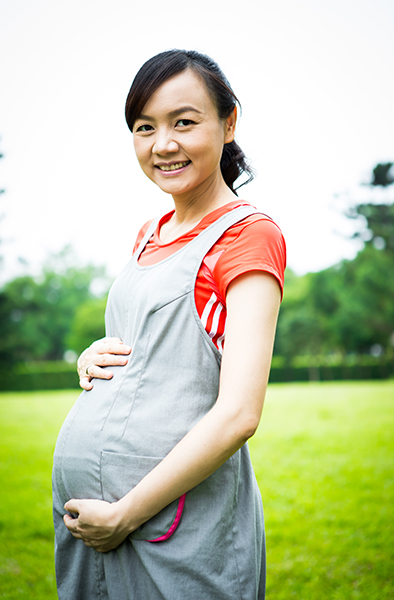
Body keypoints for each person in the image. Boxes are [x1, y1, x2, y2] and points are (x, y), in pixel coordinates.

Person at [52, 49, 286, 600]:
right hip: (95, 528)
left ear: (229, 123)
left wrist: (126, 513)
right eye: (144, 127)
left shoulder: (246, 236)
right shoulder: (149, 231)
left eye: (184, 122)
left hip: (167, 526)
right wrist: (95, 357)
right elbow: (153, 349)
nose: (163, 144)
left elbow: (239, 413)